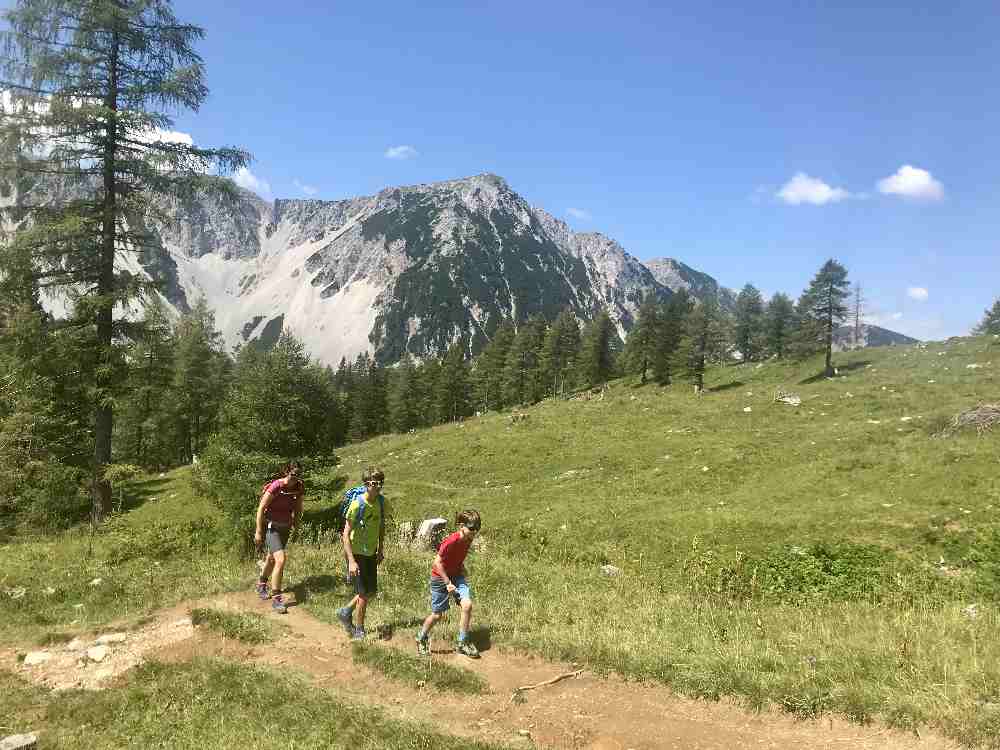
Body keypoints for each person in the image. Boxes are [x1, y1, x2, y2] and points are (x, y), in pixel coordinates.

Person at [416, 509, 481, 658]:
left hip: (456, 575)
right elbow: (437, 562)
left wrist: (461, 567)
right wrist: (447, 583)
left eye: (477, 528)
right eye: (471, 528)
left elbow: (455, 557)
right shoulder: (451, 541)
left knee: (467, 605)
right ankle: (421, 638)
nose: (474, 531)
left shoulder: (468, 539)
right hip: (440, 578)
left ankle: (462, 642)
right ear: (461, 526)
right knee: (437, 615)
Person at [337, 467, 387, 640]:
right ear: (366, 484)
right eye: (374, 483)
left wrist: (380, 549)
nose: (377, 487)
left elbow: (381, 526)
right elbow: (345, 534)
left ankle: (345, 612)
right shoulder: (357, 504)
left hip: (371, 552)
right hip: (356, 553)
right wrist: (351, 561)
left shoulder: (381, 502)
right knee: (364, 594)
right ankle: (359, 629)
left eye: (380, 483)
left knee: (370, 591)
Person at [254, 462, 304, 614]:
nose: (295, 478)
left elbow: (298, 508)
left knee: (271, 559)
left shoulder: (298, 487)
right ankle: (277, 599)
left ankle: (261, 583)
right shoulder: (276, 486)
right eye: (293, 474)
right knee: (280, 559)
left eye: (298, 475)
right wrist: (258, 531)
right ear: (286, 472)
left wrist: (296, 526)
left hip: (286, 527)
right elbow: (261, 508)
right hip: (272, 527)